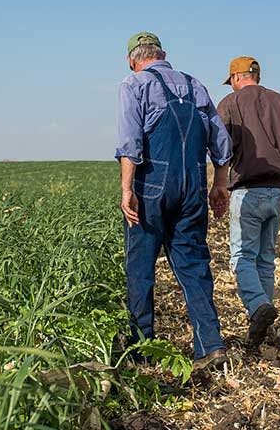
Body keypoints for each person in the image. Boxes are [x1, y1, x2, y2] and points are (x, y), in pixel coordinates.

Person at [115, 32, 232, 365]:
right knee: (194, 266)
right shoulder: (195, 86)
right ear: (163, 54)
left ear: (132, 59)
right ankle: (211, 345)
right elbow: (220, 141)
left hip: (151, 187)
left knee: (140, 268)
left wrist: (127, 190)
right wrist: (220, 184)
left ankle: (142, 351)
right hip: (193, 188)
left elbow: (130, 142)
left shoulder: (133, 84)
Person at [209, 56, 280, 348]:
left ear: (237, 78)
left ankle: (257, 306)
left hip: (247, 192)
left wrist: (219, 187)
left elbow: (220, 149)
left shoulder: (230, 104)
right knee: (265, 259)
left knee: (241, 257)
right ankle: (262, 326)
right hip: (278, 191)